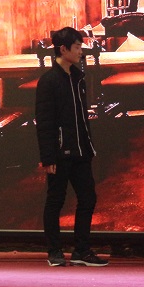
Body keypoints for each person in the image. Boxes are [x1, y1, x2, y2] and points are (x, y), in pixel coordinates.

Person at [35, 27, 108, 267]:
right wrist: (48, 157)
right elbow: (44, 122)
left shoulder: (78, 77)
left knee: (88, 198)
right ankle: (54, 251)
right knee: (55, 200)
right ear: (63, 49)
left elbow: (81, 117)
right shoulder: (49, 81)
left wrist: (88, 146)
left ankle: (81, 250)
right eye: (76, 47)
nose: (80, 51)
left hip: (81, 150)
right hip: (59, 152)